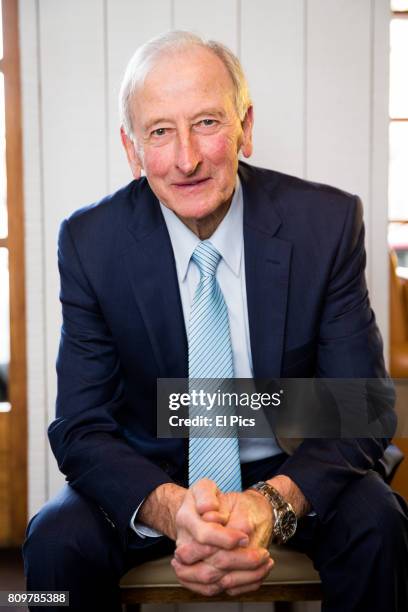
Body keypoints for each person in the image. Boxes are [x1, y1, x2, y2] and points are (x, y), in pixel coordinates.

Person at [23, 31, 408, 611]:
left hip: (289, 465)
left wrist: (266, 504)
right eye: (160, 132)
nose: (186, 158)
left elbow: (361, 407)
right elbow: (80, 425)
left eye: (207, 122)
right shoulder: (90, 242)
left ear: (245, 127)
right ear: (131, 150)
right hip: (148, 467)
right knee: (54, 542)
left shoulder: (324, 225)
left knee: (381, 526)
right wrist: (172, 508)